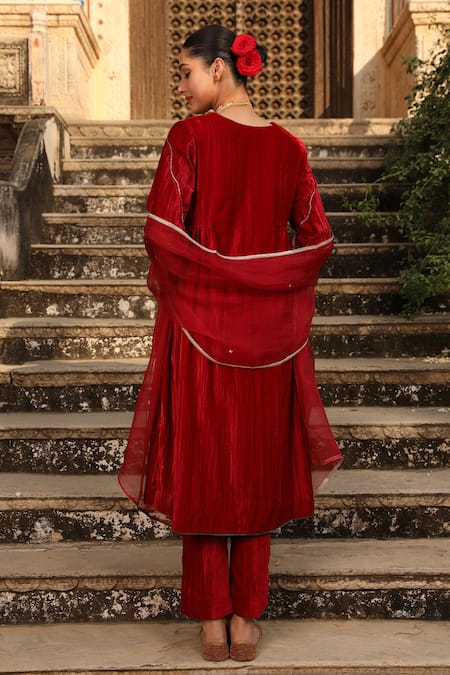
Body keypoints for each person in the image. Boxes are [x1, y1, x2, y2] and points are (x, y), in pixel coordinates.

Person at [118, 24, 343, 662]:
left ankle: (212, 622)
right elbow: (317, 240)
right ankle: (247, 620)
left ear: (220, 69)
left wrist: (209, 274)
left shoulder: (189, 138)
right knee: (256, 465)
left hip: (200, 332)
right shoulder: (289, 149)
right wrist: (264, 280)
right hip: (271, 339)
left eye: (186, 72)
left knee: (205, 463)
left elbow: (161, 233)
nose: (181, 86)